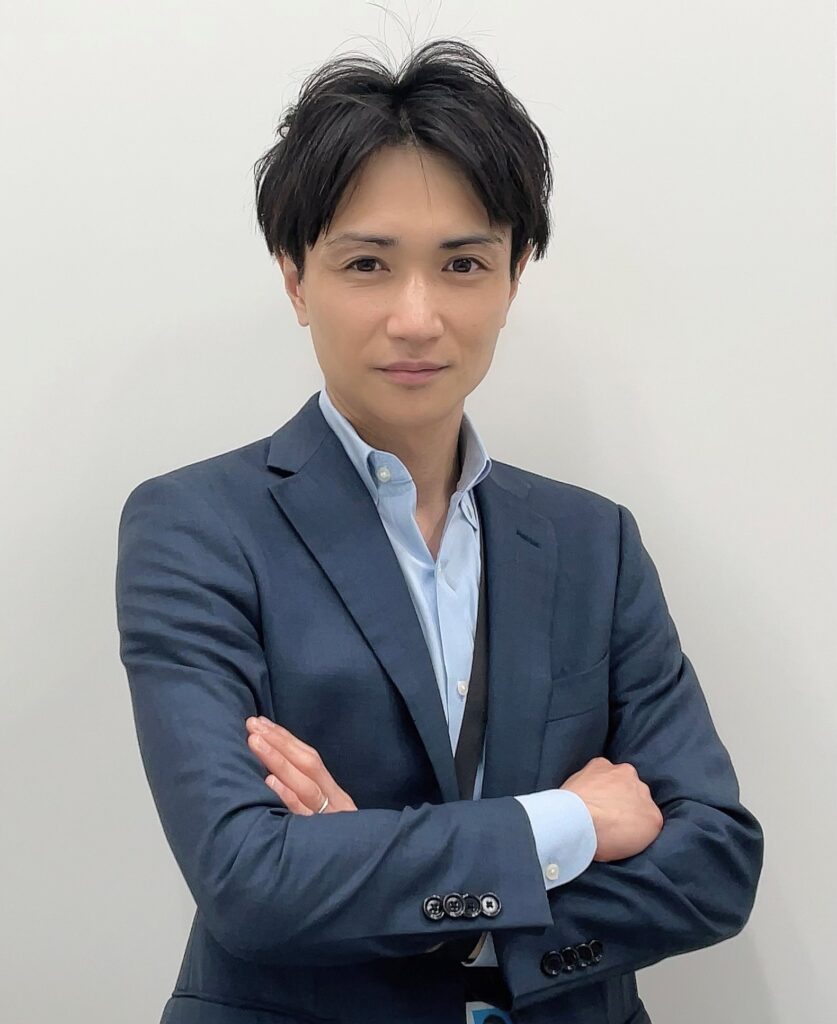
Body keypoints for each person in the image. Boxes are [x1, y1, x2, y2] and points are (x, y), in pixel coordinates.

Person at [115, 39, 764, 1024]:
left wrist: (394, 884)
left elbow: (713, 862)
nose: (416, 317)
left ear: (514, 275)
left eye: (462, 263)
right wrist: (568, 822)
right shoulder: (196, 527)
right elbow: (248, 877)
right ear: (294, 278)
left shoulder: (593, 542)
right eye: (367, 264)